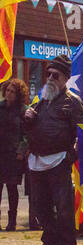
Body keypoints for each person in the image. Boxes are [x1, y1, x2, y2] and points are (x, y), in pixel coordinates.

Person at [24, 55, 83, 245]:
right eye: (48, 74)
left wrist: (71, 156)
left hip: (59, 160)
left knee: (64, 205)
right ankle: (49, 241)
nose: (50, 78)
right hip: (37, 160)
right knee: (40, 205)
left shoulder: (73, 102)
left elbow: (82, 135)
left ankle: (67, 244)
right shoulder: (42, 100)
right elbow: (27, 129)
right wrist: (29, 120)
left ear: (65, 78)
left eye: (55, 75)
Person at [0, 79, 28, 231]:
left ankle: (12, 221)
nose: (9, 94)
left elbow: (26, 134)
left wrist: (21, 150)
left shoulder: (23, 110)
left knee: (12, 187)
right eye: (8, 90)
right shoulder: (0, 107)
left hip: (14, 154)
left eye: (12, 92)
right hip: (0, 152)